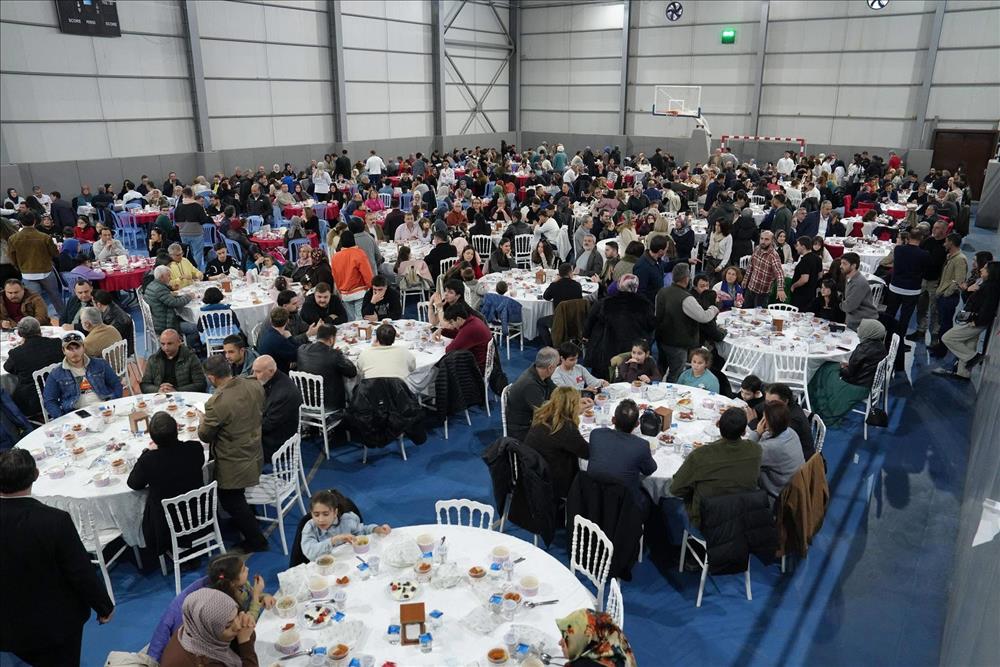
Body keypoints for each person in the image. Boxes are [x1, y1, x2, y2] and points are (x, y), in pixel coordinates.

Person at [0, 449, 114, 666]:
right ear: (36, 475)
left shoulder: (52, 520)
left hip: (8, 625)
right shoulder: (54, 521)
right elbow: (79, 571)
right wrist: (103, 606)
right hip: (54, 624)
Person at [199, 355, 268, 552]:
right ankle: (249, 519)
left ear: (211, 378)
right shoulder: (254, 384)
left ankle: (256, 540)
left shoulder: (216, 403)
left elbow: (205, 436)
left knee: (230, 499)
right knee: (236, 496)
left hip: (234, 460)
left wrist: (203, 421)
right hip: (255, 450)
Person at [127, 412, 205, 561]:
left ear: (152, 438)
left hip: (167, 526)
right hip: (199, 513)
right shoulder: (195, 448)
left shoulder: (148, 461)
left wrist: (146, 453)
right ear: (177, 430)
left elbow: (134, 484)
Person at [670, 407, 762, 528]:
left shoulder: (701, 455)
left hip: (707, 522)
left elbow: (675, 489)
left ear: (718, 425)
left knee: (668, 501)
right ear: (744, 432)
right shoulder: (756, 450)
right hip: (741, 515)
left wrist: (694, 490)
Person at [808, 318, 888, 425]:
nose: (858, 329)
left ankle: (817, 405)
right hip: (868, 383)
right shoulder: (880, 346)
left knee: (825, 370)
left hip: (857, 386)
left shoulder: (863, 348)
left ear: (868, 331)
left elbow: (849, 373)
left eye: (861, 327)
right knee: (830, 367)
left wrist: (841, 367)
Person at [587, 399, 657, 515]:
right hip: (626, 508)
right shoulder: (641, 446)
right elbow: (650, 470)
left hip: (593, 501)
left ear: (613, 420)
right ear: (637, 424)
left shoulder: (596, 434)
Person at [159, 588, 258, 667]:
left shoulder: (196, 627)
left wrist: (247, 625)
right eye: (228, 626)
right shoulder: (204, 662)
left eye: (236, 615)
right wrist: (245, 642)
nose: (238, 626)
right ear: (207, 629)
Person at [654, 263, 719, 382]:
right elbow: (703, 317)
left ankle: (656, 387)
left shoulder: (662, 291)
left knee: (660, 369)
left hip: (661, 338)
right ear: (686, 279)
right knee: (676, 373)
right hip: (678, 342)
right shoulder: (686, 298)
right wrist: (714, 309)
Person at [523, 386, 590, 499]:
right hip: (554, 481)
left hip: (534, 473)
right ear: (572, 406)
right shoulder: (565, 427)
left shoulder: (543, 415)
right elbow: (587, 452)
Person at [940, 261, 999, 379]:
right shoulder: (988, 285)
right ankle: (963, 373)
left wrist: (977, 321)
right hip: (976, 319)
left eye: (985, 268)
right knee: (969, 343)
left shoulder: (990, 287)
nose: (981, 269)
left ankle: (973, 357)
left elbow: (987, 308)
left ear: (991, 272)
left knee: (948, 338)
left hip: (975, 320)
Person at [41, 331, 122, 418]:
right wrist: (62, 417)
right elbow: (49, 401)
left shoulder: (100, 364)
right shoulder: (56, 374)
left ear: (83, 348)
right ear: (63, 351)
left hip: (104, 407)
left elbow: (116, 384)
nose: (74, 352)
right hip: (77, 414)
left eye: (77, 347)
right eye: (69, 349)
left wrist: (113, 402)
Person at [300, 489, 391, 562]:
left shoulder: (347, 520)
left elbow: (361, 531)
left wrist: (376, 529)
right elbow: (310, 553)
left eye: (326, 514)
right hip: (324, 567)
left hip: (347, 561)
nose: (321, 519)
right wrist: (333, 540)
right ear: (311, 513)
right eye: (316, 515)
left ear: (335, 512)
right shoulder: (310, 528)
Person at [2, 317, 63, 419]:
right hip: (61, 390)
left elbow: (8, 368)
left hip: (33, 400)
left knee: (7, 398)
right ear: (39, 330)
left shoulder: (17, 353)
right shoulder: (57, 343)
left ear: (20, 334)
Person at [748, 401, 806, 501]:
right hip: (793, 486)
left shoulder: (770, 447)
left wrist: (757, 432)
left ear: (768, 423)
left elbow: (746, 455)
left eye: (764, 418)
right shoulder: (791, 432)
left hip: (778, 496)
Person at [7, 210, 63, 312]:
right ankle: (65, 318)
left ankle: (40, 320)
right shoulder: (45, 237)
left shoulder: (12, 239)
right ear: (35, 221)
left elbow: (12, 258)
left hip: (27, 274)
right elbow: (55, 254)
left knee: (35, 301)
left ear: (20, 222)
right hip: (46, 271)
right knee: (55, 297)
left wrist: (20, 267)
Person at [251, 355, 302, 460]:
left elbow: (267, 425)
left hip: (276, 444)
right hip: (270, 432)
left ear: (270, 371)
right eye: (254, 371)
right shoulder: (272, 380)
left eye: (258, 372)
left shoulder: (283, 393)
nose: (254, 376)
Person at [883, 228, 929, 345]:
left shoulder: (898, 249)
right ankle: (898, 343)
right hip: (912, 290)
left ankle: (885, 338)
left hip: (895, 287)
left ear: (908, 237)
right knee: (905, 317)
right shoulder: (924, 254)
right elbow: (925, 271)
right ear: (921, 238)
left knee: (890, 313)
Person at [297, 323, 358, 409]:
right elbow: (352, 372)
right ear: (332, 339)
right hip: (329, 403)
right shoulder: (333, 354)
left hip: (305, 399)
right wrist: (341, 355)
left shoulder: (301, 349)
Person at [506, 346, 559, 441]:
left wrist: (574, 398)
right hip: (522, 430)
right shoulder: (530, 385)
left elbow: (556, 391)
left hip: (530, 419)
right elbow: (544, 413)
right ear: (550, 368)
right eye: (556, 366)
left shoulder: (540, 372)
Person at [929, 233, 969, 357]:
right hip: (943, 295)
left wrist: (946, 293)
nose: (944, 244)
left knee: (945, 323)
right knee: (941, 322)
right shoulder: (950, 257)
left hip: (948, 298)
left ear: (951, 243)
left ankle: (942, 349)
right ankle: (939, 345)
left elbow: (959, 280)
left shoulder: (960, 259)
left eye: (946, 241)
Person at [749, 382, 814, 459]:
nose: (768, 406)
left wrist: (754, 425)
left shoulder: (793, 419)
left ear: (785, 401)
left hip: (800, 459)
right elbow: (757, 409)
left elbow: (770, 438)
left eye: (772, 402)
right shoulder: (775, 406)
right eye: (767, 402)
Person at [554, 609, 637, 667]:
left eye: (566, 638)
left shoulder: (583, 664)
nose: (560, 642)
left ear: (581, 641)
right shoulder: (611, 638)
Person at [140, 329, 208, 394]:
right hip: (160, 396)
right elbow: (144, 385)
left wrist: (176, 391)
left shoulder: (191, 358)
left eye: (169, 344)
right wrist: (158, 389)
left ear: (179, 342)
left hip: (183, 396)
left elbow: (201, 384)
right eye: (163, 344)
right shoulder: (153, 359)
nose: (166, 348)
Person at [436, 302, 493, 372]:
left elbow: (450, 350)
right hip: (482, 361)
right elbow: (459, 334)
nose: (452, 326)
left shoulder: (470, 329)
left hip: (477, 368)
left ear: (459, 319)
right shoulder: (473, 320)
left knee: (444, 364)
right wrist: (442, 331)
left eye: (451, 322)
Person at [330, 231, 374, 321]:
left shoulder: (335, 257)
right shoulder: (359, 253)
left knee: (351, 321)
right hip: (360, 292)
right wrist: (372, 288)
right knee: (361, 321)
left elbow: (335, 276)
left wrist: (340, 291)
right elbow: (367, 274)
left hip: (344, 294)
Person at [537, 262, 583, 345]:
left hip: (559, 319)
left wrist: (553, 282)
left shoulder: (555, 285)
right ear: (570, 273)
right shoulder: (577, 285)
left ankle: (550, 345)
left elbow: (546, 297)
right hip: (576, 318)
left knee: (540, 322)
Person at [743, 230, 787, 307]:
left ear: (772, 241)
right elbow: (750, 266)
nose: (763, 241)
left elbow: (779, 273)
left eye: (766, 239)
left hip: (762, 293)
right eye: (762, 238)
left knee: (759, 314)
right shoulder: (757, 249)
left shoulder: (773, 255)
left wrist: (780, 289)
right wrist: (745, 279)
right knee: (745, 311)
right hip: (751, 287)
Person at [257, 307, 308, 375]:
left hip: (266, 367)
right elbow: (299, 354)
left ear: (271, 320)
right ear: (287, 321)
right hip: (277, 373)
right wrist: (290, 338)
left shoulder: (266, 333)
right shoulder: (279, 340)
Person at [173, 187, 213, 272]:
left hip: (183, 233)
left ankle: (186, 270)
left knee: (185, 253)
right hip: (196, 233)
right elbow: (203, 220)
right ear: (192, 195)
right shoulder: (197, 206)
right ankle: (196, 271)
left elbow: (176, 221)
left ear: (183, 195)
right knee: (197, 254)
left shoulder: (179, 207)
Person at [839, 252, 878, 331]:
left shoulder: (858, 283)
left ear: (853, 266)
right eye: (841, 263)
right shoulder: (849, 277)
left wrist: (838, 302)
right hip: (854, 319)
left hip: (861, 323)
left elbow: (849, 306)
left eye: (844, 264)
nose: (841, 266)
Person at [788, 235, 822, 311]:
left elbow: (804, 279)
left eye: (798, 245)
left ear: (803, 247)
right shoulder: (818, 259)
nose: (796, 248)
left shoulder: (805, 261)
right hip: (812, 293)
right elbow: (820, 275)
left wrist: (793, 286)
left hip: (801, 296)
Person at [633, 235, 668, 304]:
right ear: (660, 251)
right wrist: (650, 307)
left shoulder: (657, 260)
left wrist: (687, 260)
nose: (667, 250)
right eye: (666, 248)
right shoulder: (642, 267)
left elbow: (667, 266)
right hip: (650, 305)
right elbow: (640, 293)